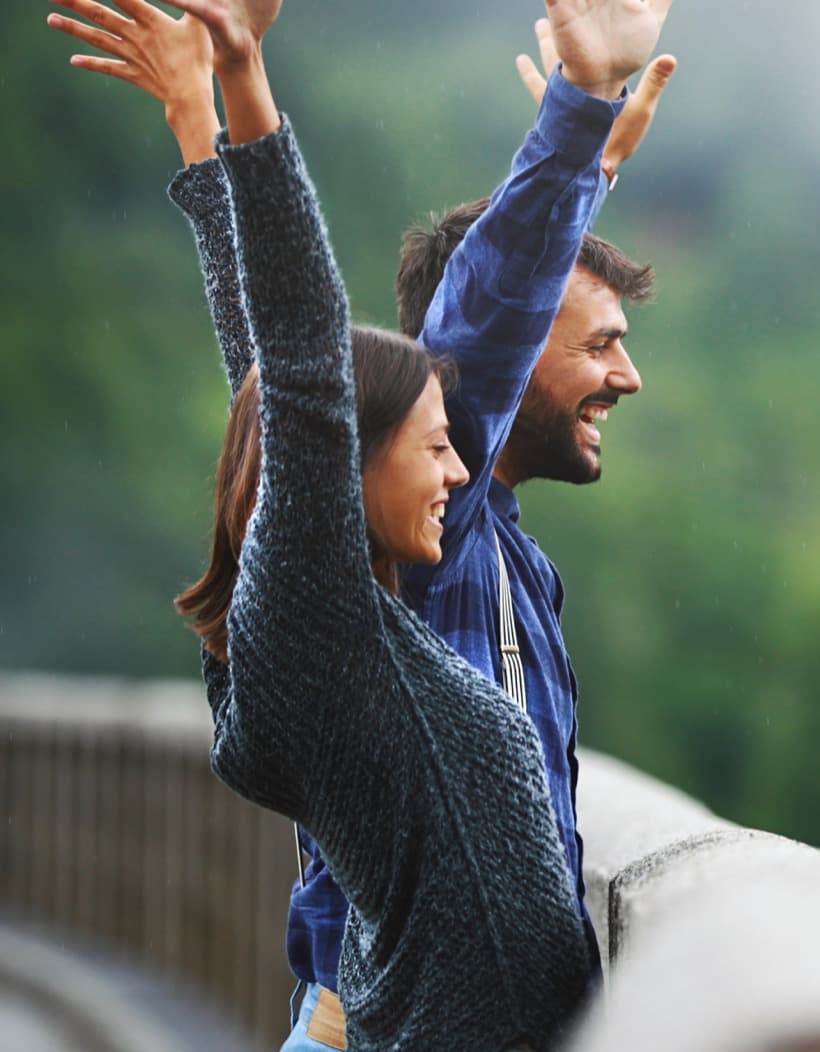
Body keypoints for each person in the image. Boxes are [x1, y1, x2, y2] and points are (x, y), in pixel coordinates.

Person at [47, 0, 672, 1047]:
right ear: (348, 454)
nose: (454, 460)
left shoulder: (407, 578)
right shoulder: (366, 605)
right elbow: (297, 361)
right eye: (433, 440)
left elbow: (273, 375)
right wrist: (241, 77)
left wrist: (202, 123)